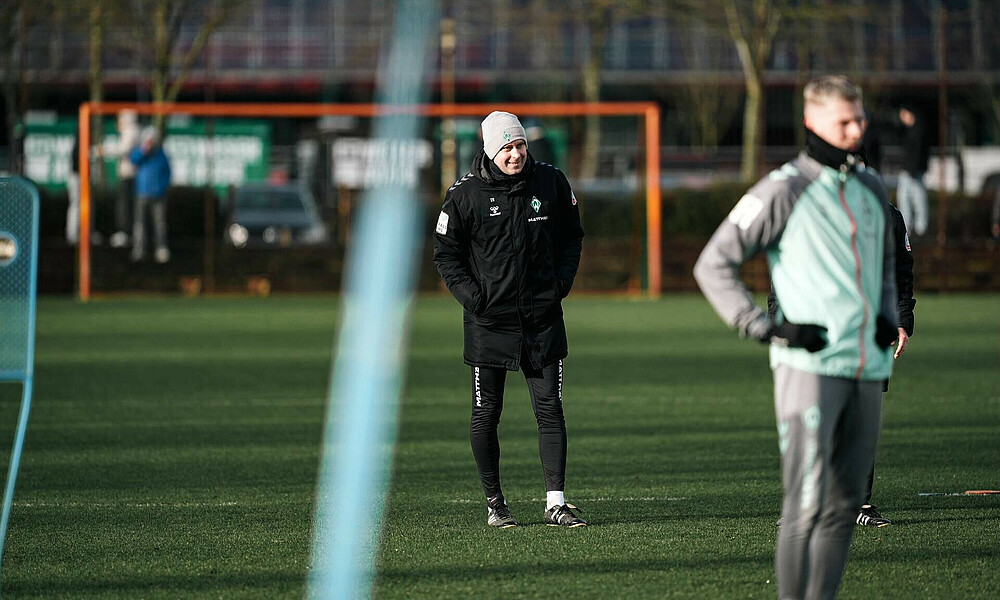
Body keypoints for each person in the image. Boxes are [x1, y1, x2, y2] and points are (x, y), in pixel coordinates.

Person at [694, 75, 898, 599]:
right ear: (812, 121)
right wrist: (765, 327)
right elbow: (713, 263)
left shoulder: (873, 188)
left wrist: (888, 313)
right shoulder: (783, 188)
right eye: (843, 122)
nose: (855, 131)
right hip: (808, 369)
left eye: (860, 120)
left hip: (868, 369)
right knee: (805, 503)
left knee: (845, 505)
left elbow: (887, 269)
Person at [433, 111, 586, 529]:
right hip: (489, 324)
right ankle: (495, 504)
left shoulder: (551, 182)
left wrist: (561, 284)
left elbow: (573, 235)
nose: (515, 154)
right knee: (486, 414)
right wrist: (473, 299)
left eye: (519, 145)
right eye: (506, 147)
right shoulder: (464, 195)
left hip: (542, 319)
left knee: (550, 409)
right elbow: (446, 254)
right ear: (489, 150)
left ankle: (556, 502)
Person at [768, 171, 916, 529]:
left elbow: (901, 273)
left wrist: (902, 319)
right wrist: (779, 321)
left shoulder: (888, 217)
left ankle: (859, 505)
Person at [130, 126, 172, 263]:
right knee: (139, 223)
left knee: (160, 223)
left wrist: (162, 188)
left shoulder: (161, 154)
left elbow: (167, 173)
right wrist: (143, 151)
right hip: (142, 193)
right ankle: (139, 249)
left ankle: (161, 249)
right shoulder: (141, 152)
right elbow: (133, 159)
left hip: (158, 195)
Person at [100, 109, 140, 248]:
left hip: (129, 175)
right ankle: (129, 233)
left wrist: (105, 150)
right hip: (129, 174)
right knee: (128, 205)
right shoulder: (131, 131)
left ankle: (126, 233)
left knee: (125, 206)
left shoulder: (131, 131)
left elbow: (123, 150)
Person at [896, 105, 929, 236]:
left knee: (915, 198)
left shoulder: (917, 131)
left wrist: (912, 169)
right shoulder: (911, 130)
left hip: (913, 171)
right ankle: (911, 227)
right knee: (908, 198)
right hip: (910, 170)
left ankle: (918, 227)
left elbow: (918, 152)